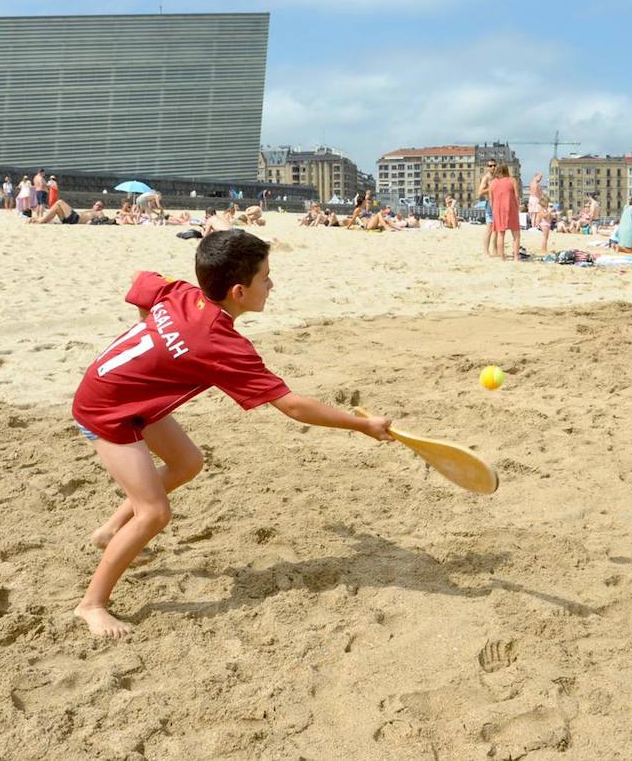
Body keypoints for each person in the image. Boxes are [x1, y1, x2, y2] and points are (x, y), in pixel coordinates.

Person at [69, 231, 393, 637]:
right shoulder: (221, 344)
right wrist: (362, 425)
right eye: (266, 278)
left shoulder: (184, 292)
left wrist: (156, 343)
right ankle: (92, 604)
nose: (272, 285)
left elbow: (142, 282)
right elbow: (291, 406)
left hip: (123, 393)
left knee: (188, 463)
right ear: (239, 291)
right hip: (107, 411)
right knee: (154, 513)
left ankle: (111, 530)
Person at [487, 163, 520, 260]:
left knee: (501, 235)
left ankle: (502, 257)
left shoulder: (493, 183)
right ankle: (516, 257)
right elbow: (517, 196)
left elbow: (490, 199)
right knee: (516, 234)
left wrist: (494, 209)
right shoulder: (512, 180)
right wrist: (518, 206)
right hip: (511, 208)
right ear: (506, 170)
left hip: (498, 210)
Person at [476, 159, 497, 255]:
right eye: (490, 165)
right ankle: (486, 251)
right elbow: (480, 192)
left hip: (498, 204)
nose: (492, 167)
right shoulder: (486, 178)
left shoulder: (497, 177)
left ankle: (495, 250)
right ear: (487, 168)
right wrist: (491, 188)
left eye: (494, 165)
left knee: (497, 229)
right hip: (490, 204)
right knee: (489, 228)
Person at [526, 174, 550, 253]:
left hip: (531, 198)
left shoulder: (531, 183)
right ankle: (536, 226)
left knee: (533, 214)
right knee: (536, 214)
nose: (540, 179)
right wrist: (541, 195)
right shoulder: (537, 185)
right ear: (536, 176)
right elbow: (538, 193)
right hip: (535, 198)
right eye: (540, 177)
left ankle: (533, 226)